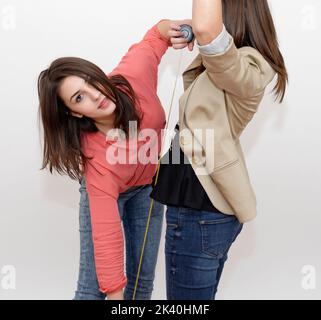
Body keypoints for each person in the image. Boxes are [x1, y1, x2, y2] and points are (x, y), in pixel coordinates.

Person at [37, 19, 192, 300]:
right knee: (93, 289)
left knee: (141, 286)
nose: (96, 95)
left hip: (147, 188)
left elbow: (153, 39)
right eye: (80, 97)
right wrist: (114, 294)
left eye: (91, 82)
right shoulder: (97, 160)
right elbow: (107, 235)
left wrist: (173, 29)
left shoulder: (132, 78)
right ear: (74, 112)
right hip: (109, 192)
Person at [150, 0, 288, 300]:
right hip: (202, 208)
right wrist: (185, 30)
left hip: (197, 211)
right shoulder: (234, 65)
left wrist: (200, 30)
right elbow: (204, 30)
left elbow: (207, 28)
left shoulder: (249, 67)